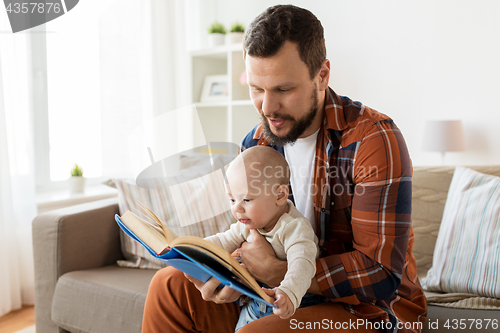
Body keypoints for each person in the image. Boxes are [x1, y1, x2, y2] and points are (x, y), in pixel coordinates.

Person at [142, 4, 427, 333]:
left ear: (322, 74)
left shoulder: (373, 140)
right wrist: (234, 273)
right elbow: (250, 235)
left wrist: (278, 273)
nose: (267, 107)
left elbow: (380, 274)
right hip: (277, 298)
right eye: (256, 89)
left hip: (366, 311)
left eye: (283, 89)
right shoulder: (256, 142)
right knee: (168, 288)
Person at [204, 145, 319, 331]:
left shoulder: (294, 228)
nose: (237, 209)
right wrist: (194, 248)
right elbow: (224, 240)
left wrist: (289, 292)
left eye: (246, 200)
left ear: (280, 195)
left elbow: (303, 264)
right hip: (255, 304)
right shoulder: (248, 223)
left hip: (295, 304)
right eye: (232, 200)